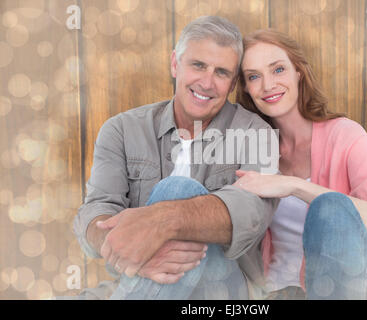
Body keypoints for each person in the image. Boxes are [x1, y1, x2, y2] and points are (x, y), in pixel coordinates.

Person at [71, 17, 279, 300]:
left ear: (232, 84)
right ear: (174, 64)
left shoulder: (256, 133)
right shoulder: (121, 129)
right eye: (198, 65)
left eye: (221, 72)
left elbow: (251, 213)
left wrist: (164, 221)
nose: (206, 83)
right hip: (141, 277)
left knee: (178, 191)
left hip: (226, 290)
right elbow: (96, 210)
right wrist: (136, 251)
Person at [234, 29, 367, 300]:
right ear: (246, 87)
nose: (268, 85)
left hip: (350, 292)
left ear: (298, 72)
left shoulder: (345, 135)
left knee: (330, 207)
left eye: (278, 69)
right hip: (277, 294)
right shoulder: (248, 151)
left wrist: (293, 186)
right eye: (254, 76)